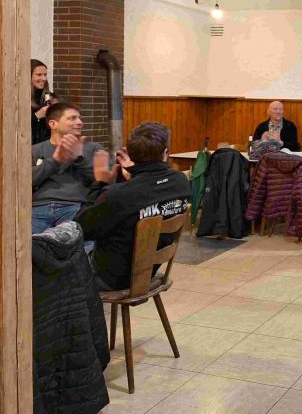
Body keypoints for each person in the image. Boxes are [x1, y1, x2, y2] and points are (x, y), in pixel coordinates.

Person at [75, 122, 191, 291]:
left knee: (53, 261)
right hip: (148, 271)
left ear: (132, 154)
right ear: (165, 153)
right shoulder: (180, 181)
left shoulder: (118, 195)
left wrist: (99, 183)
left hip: (112, 279)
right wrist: (135, 173)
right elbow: (150, 190)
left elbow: (79, 229)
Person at [31, 103, 106, 234]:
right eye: (72, 118)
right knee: (23, 242)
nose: (80, 122)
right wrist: (55, 161)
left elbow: (101, 181)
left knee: (76, 240)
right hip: (38, 208)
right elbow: (25, 182)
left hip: (75, 206)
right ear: (53, 124)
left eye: (80, 118)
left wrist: (79, 158)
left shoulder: (93, 148)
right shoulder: (35, 150)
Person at [31, 59, 54, 145]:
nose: (44, 78)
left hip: (45, 144)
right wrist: (37, 116)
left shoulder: (48, 96)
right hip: (28, 144)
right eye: (39, 75)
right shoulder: (20, 98)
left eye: (45, 75)